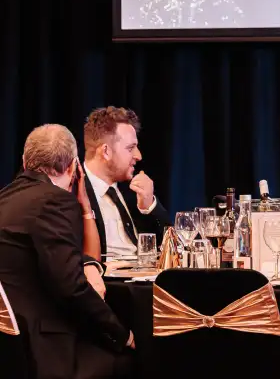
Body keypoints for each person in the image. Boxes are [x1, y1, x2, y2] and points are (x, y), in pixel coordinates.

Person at [0, 124, 134, 379]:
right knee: (131, 359)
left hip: (9, 346)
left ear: (24, 162)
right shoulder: (54, 201)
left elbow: (42, 253)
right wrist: (122, 334)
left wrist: (87, 263)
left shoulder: (5, 198)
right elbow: (72, 288)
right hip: (42, 350)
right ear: (73, 168)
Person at [82, 106, 170, 257]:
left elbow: (171, 246)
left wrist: (148, 206)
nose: (139, 156)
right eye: (130, 148)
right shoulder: (74, 191)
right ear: (106, 151)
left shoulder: (133, 188)